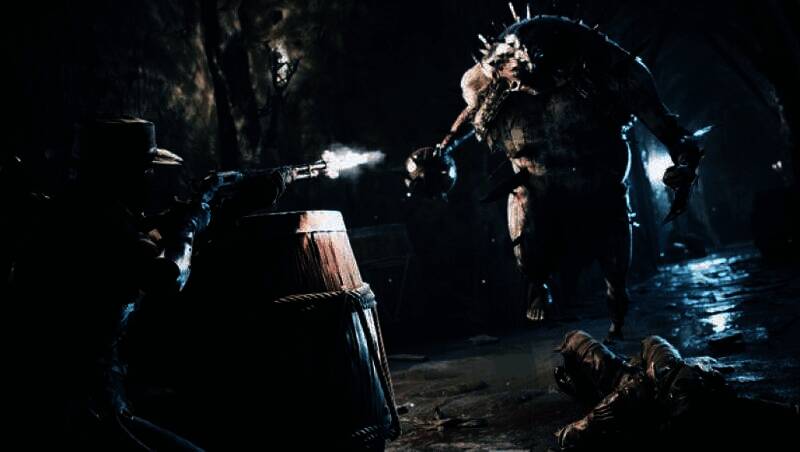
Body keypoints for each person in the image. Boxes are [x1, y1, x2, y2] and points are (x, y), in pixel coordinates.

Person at [406, 14, 705, 341]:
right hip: (535, 186)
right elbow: (469, 120)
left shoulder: (613, 68)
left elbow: (671, 131)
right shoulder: (485, 81)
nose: (529, 79)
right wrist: (441, 152)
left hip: (599, 183)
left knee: (614, 261)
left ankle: (615, 302)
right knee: (530, 241)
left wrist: (684, 166)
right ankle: (538, 282)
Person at [8, 117, 288, 449]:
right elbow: (168, 276)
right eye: (146, 170)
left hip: (84, 399)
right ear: (121, 173)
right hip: (79, 411)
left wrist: (227, 211)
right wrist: (191, 222)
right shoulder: (97, 221)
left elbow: (147, 247)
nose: (151, 179)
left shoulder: (79, 209)